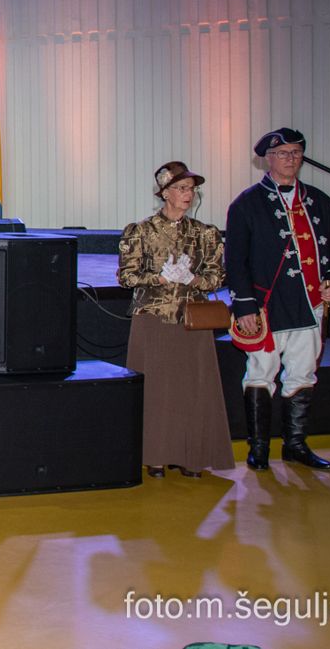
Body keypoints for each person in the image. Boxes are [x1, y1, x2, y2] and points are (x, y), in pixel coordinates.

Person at [225, 128, 330, 472]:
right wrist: (245, 306)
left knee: (303, 373)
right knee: (261, 373)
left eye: (295, 153)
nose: (290, 159)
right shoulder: (246, 204)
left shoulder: (321, 202)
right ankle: (259, 448)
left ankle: (296, 445)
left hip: (310, 304)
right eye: (282, 153)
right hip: (266, 307)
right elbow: (235, 262)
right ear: (268, 158)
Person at [116, 161, 234, 478]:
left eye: (191, 189)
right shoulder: (141, 231)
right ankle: (154, 455)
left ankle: (190, 456)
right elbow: (126, 277)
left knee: (193, 389)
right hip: (153, 318)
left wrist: (194, 279)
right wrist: (159, 278)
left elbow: (217, 277)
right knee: (156, 389)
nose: (188, 194)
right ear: (165, 192)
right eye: (181, 188)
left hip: (191, 319)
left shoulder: (205, 233)